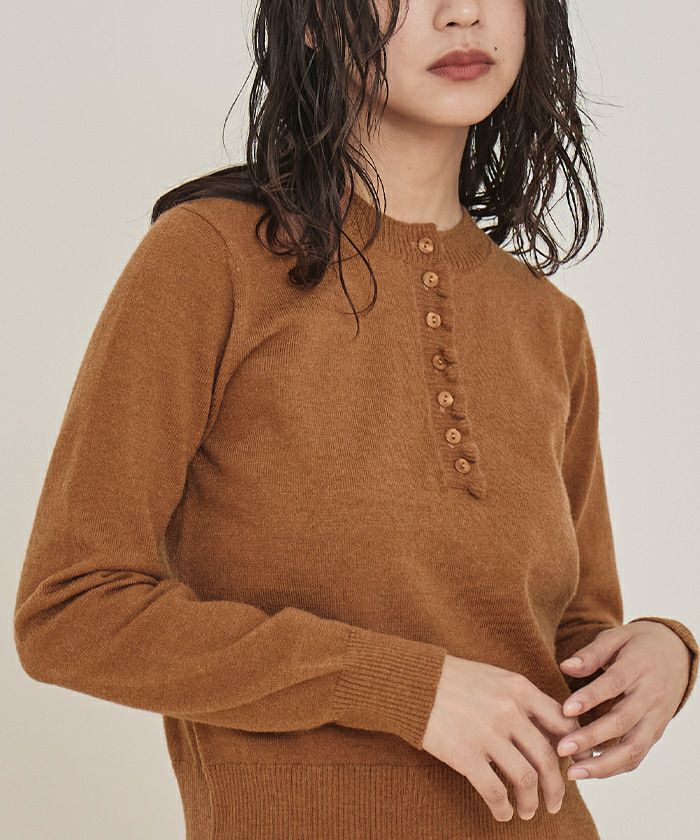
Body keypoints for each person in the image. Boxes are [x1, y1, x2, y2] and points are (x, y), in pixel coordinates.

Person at [14, 1, 697, 838]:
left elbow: (573, 639)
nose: (463, 13)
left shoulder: (548, 323)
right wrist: (401, 688)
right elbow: (70, 612)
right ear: (311, 21)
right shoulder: (210, 260)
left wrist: (664, 653)